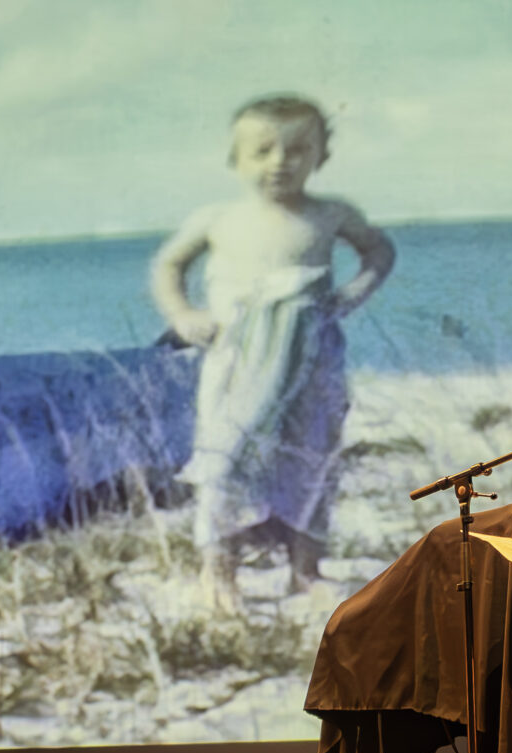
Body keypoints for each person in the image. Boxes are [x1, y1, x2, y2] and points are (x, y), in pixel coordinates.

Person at [151, 94, 395, 608]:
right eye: (262, 151)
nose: (280, 162)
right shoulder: (217, 219)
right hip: (239, 359)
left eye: (297, 150)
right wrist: (183, 315)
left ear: (320, 157)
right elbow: (169, 266)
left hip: (311, 358)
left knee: (311, 455)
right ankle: (218, 573)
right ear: (235, 159)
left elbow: (379, 249)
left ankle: (305, 571)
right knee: (225, 459)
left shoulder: (330, 214)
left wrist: (354, 292)